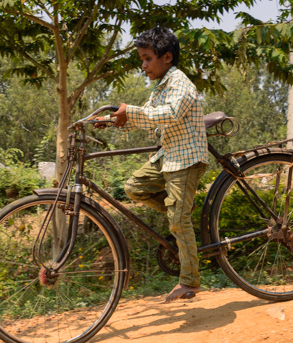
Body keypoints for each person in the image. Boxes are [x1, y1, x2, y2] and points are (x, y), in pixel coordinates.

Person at [95, 27, 209, 304]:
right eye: (142, 60)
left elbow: (168, 114)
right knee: (134, 187)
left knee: (178, 222)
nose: (143, 65)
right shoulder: (160, 87)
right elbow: (144, 116)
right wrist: (110, 120)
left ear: (167, 57)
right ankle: (180, 207)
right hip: (168, 156)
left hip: (186, 158)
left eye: (147, 59)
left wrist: (130, 110)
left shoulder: (179, 83)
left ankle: (190, 281)